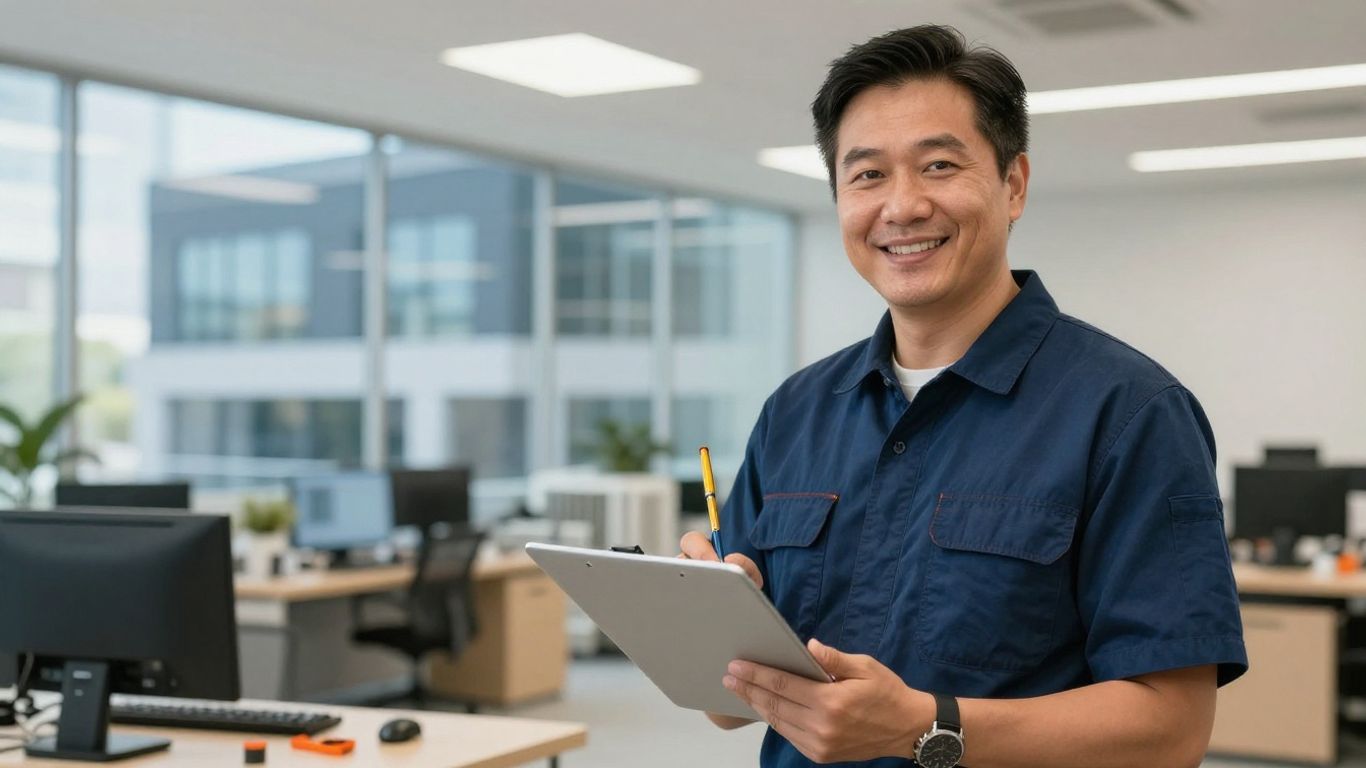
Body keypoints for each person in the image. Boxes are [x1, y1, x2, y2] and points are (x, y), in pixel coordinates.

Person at [679, 24, 1247, 768]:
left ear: (1013, 185)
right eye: (868, 175)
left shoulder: (1130, 411)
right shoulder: (796, 411)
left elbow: (1171, 731)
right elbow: (728, 711)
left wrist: (921, 724)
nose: (903, 206)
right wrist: (710, 619)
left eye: (938, 165)